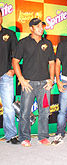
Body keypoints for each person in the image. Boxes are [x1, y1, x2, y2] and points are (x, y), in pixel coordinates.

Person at [12, 18, 55, 147]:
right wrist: (21, 79)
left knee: (45, 111)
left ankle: (43, 136)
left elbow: (52, 63)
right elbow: (15, 61)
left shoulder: (47, 43)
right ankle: (24, 137)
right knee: (24, 112)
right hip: (28, 85)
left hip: (44, 86)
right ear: (31, 28)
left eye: (42, 26)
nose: (41, 28)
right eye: (37, 26)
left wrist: (51, 79)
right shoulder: (23, 43)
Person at [0, 9, 19, 144]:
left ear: (1, 17)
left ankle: (11, 135)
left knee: (8, 107)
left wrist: (12, 69)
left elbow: (16, 54)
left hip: (5, 75)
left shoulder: (10, 34)